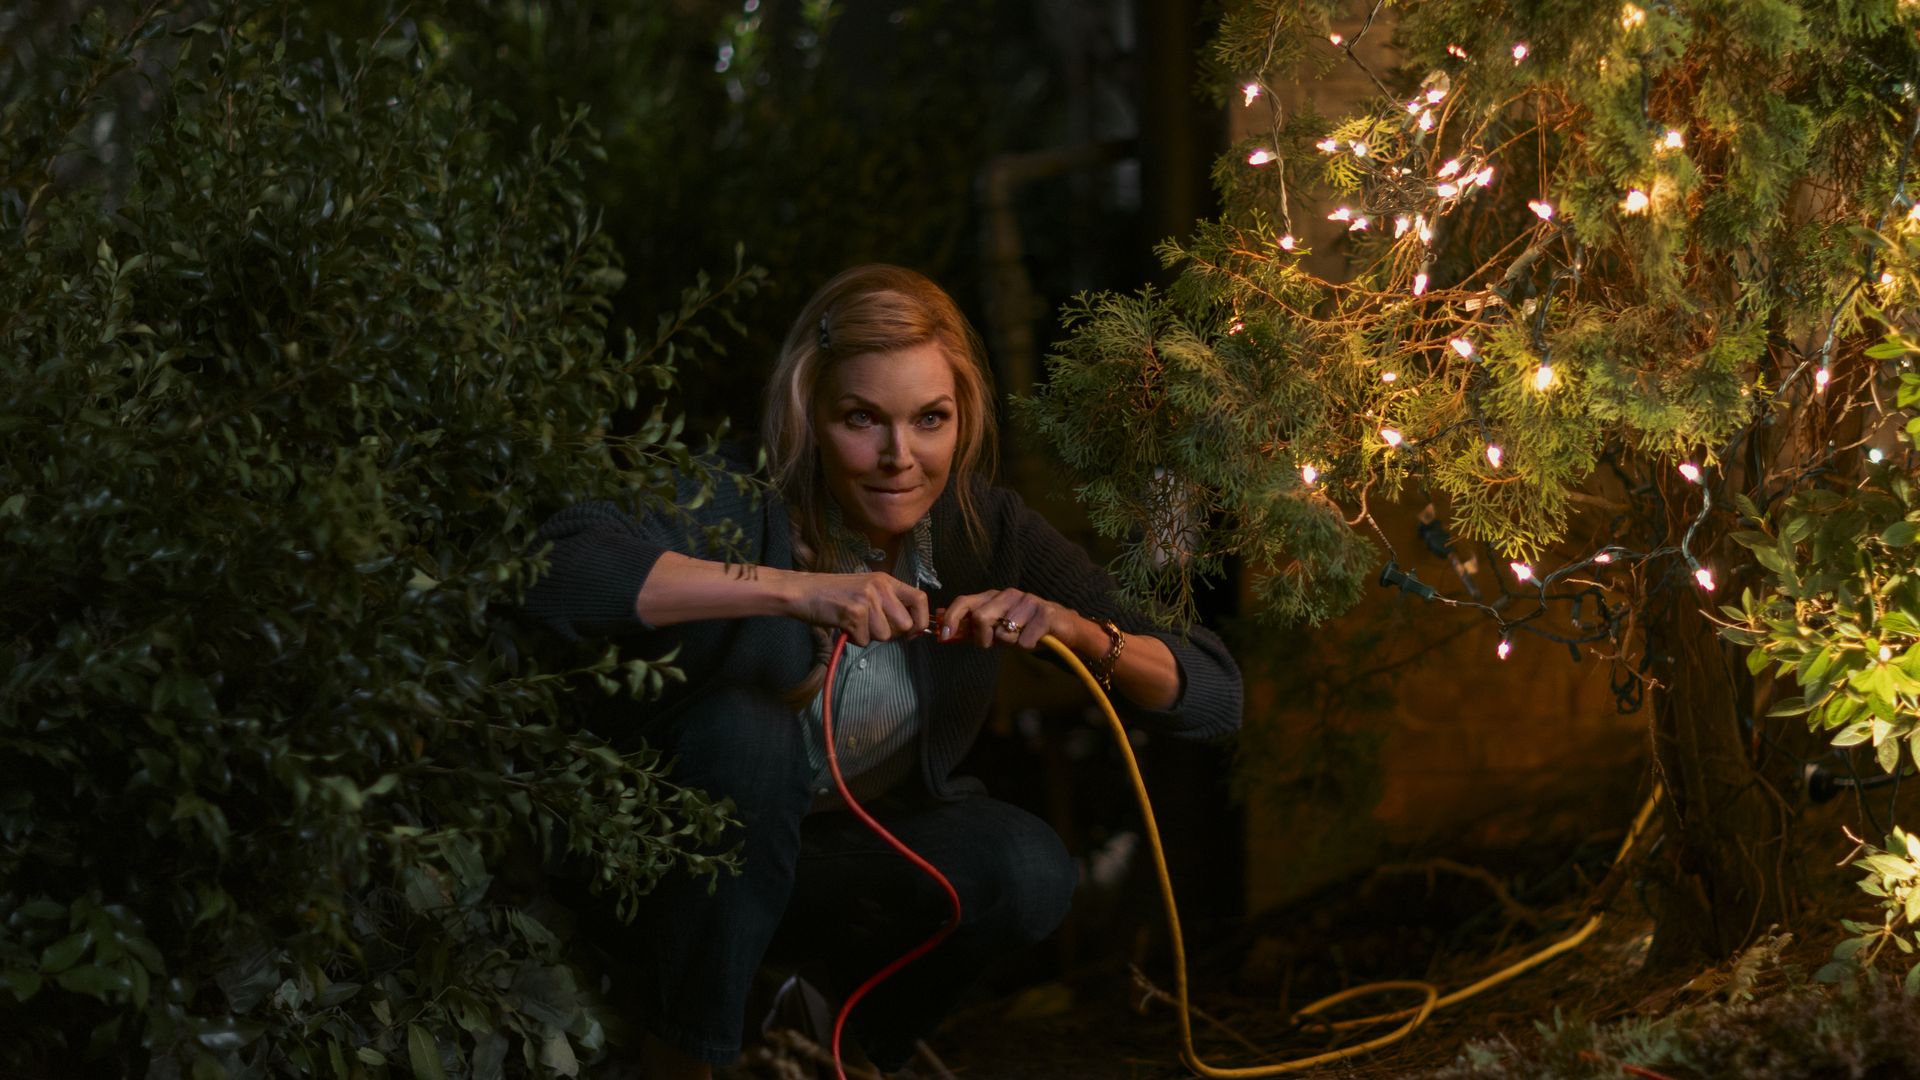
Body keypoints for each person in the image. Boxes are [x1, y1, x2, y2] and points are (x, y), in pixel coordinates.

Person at [524, 264, 1241, 1078]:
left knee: (1026, 865)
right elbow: (557, 568)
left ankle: (837, 1042)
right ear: (809, 414)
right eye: (862, 419)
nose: (900, 457)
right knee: (745, 727)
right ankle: (683, 1057)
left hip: (824, 877)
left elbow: (1214, 693)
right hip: (670, 876)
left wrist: (1076, 629)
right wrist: (796, 592)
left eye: (930, 420)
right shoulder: (735, 496)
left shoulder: (985, 531)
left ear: (962, 419)